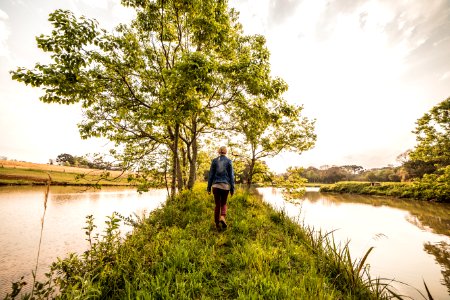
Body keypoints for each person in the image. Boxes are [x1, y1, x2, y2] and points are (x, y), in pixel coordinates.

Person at [207, 146, 235, 231]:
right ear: (226, 152)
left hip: (215, 186)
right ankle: (222, 217)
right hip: (225, 186)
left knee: (217, 205)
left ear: (219, 151)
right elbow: (231, 176)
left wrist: (208, 187)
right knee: (223, 203)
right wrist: (232, 188)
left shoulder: (214, 161)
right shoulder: (229, 161)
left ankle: (217, 225)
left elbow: (211, 175)